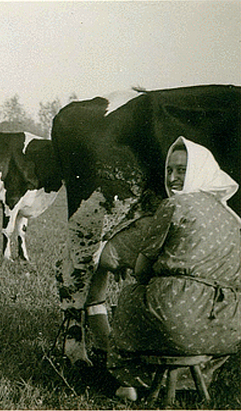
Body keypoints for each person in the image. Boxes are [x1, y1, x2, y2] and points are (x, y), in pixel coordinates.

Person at [88, 136, 241, 401]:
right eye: (169, 170)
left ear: (198, 171)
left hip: (177, 317)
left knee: (130, 297)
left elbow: (141, 269)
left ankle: (128, 382)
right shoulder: (231, 216)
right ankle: (187, 381)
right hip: (228, 325)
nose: (172, 177)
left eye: (182, 170)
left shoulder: (174, 206)